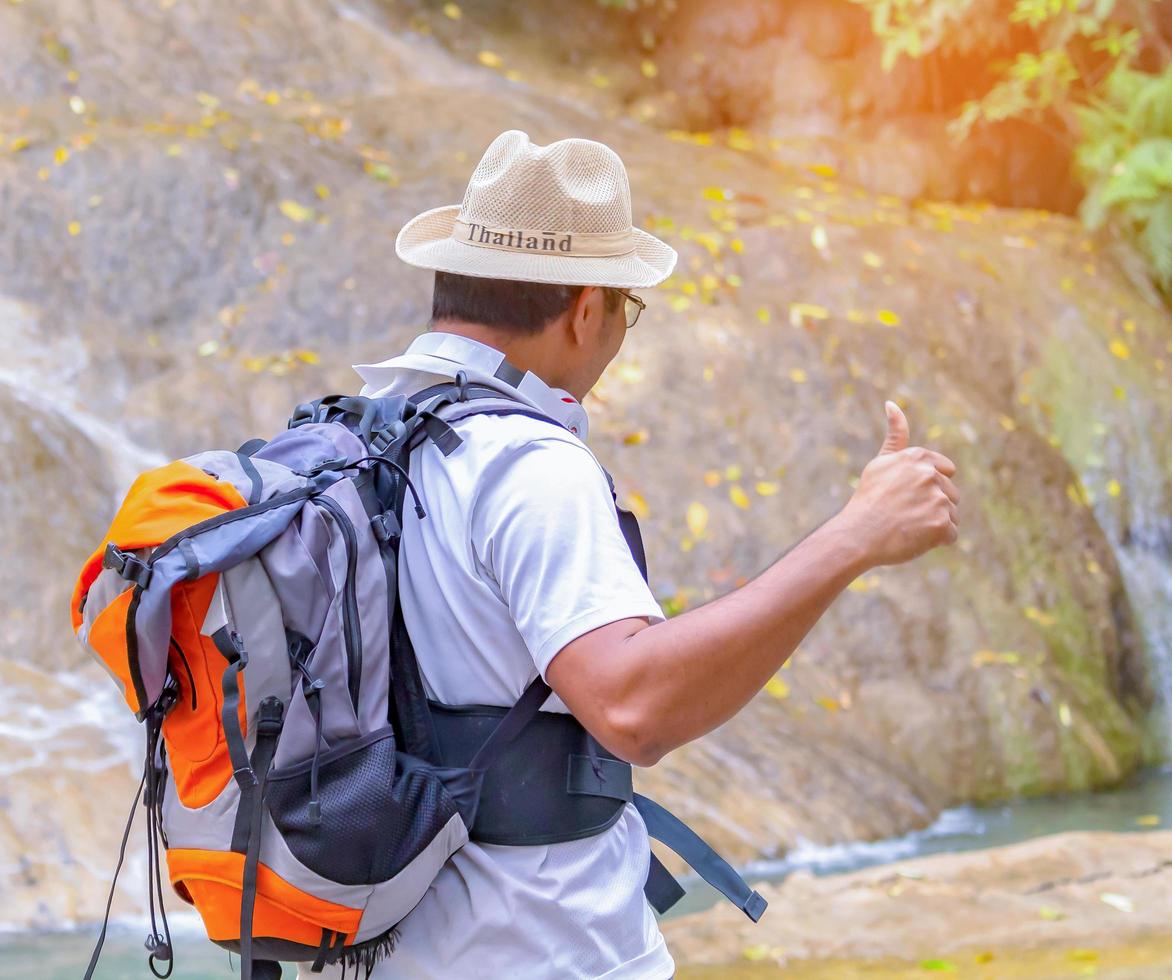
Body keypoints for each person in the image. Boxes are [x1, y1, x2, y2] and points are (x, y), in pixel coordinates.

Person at [314, 130, 960, 979]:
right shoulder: (526, 464)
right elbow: (631, 706)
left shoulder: (357, 441)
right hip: (539, 954)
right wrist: (854, 538)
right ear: (587, 310)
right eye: (626, 309)